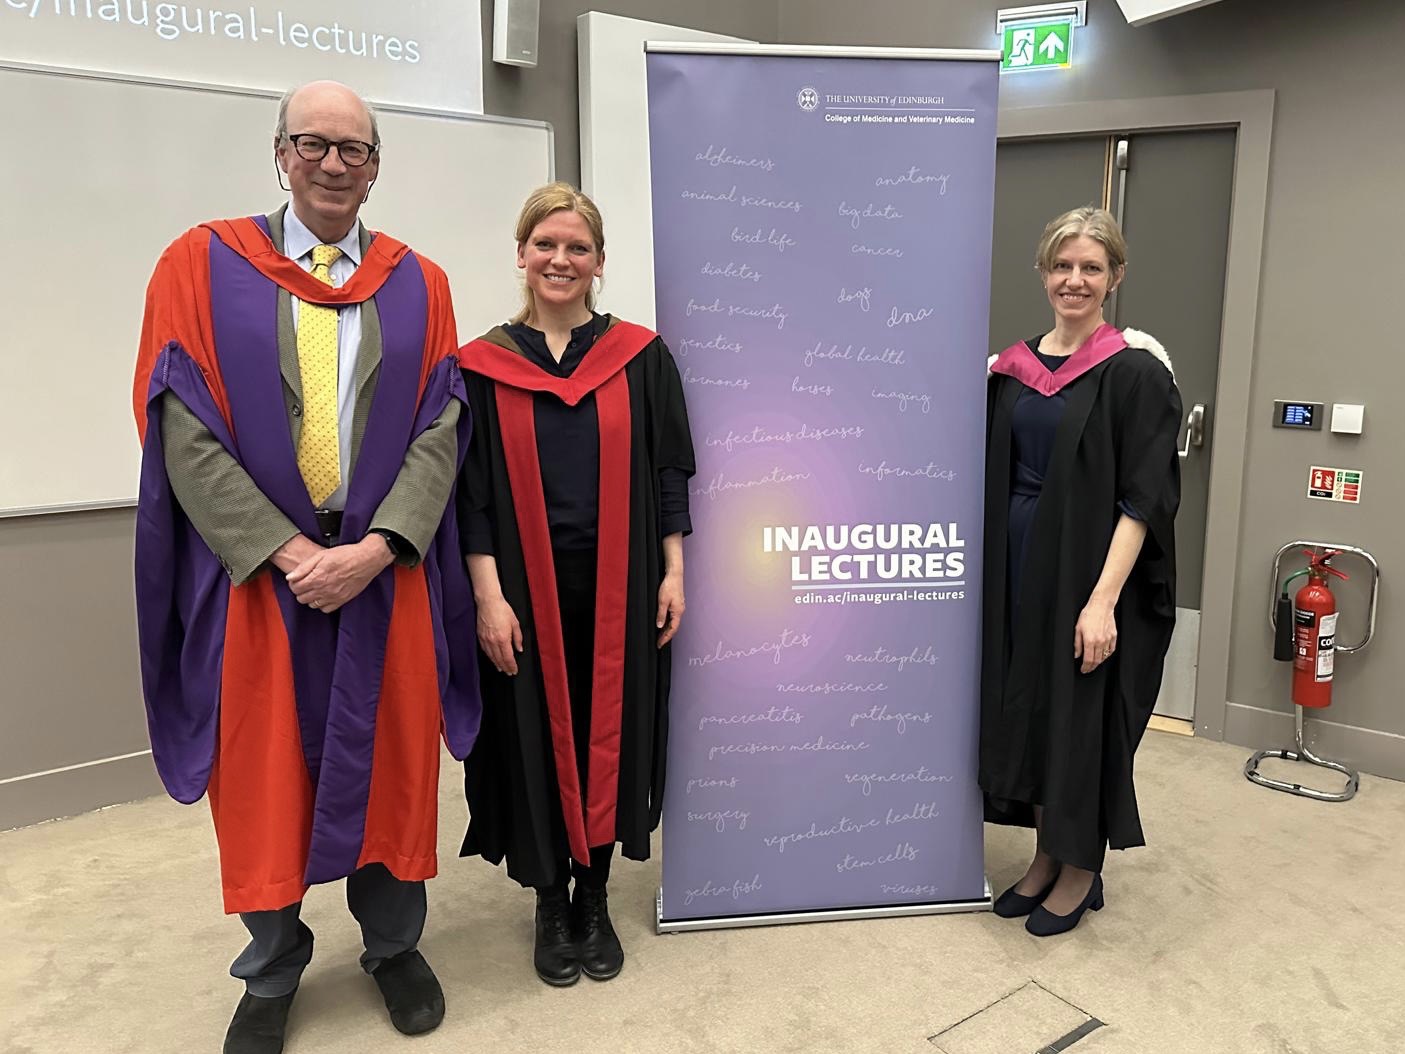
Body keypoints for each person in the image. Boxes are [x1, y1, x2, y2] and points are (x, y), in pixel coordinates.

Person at [131, 81, 481, 1053]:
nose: (334, 164)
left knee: (391, 761)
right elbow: (182, 426)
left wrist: (376, 548)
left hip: (382, 569)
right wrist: (289, 553)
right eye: (313, 144)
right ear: (279, 151)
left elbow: (442, 425)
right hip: (259, 580)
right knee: (263, 773)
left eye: (355, 150)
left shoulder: (422, 282)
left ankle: (393, 946)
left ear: (376, 166)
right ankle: (273, 966)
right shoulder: (199, 265)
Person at [457, 182, 695, 986]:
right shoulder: (480, 366)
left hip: (620, 584)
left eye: (577, 248)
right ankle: (548, 900)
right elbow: (473, 494)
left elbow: (668, 474)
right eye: (545, 245)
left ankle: (592, 894)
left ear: (598, 262)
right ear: (521, 254)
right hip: (523, 587)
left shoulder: (640, 356)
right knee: (528, 733)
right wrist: (487, 598)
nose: (561, 260)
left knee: (610, 727)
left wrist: (673, 571)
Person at [981, 206, 1181, 937]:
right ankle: (1042, 855)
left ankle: (1079, 868)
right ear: (1042, 273)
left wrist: (1101, 602)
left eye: (1090, 268)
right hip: (1016, 568)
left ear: (1114, 277)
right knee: (1029, 712)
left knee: (1078, 720)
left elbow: (1144, 500)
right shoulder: (1010, 368)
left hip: (1088, 574)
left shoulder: (1133, 374)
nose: (1074, 280)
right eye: (1061, 266)